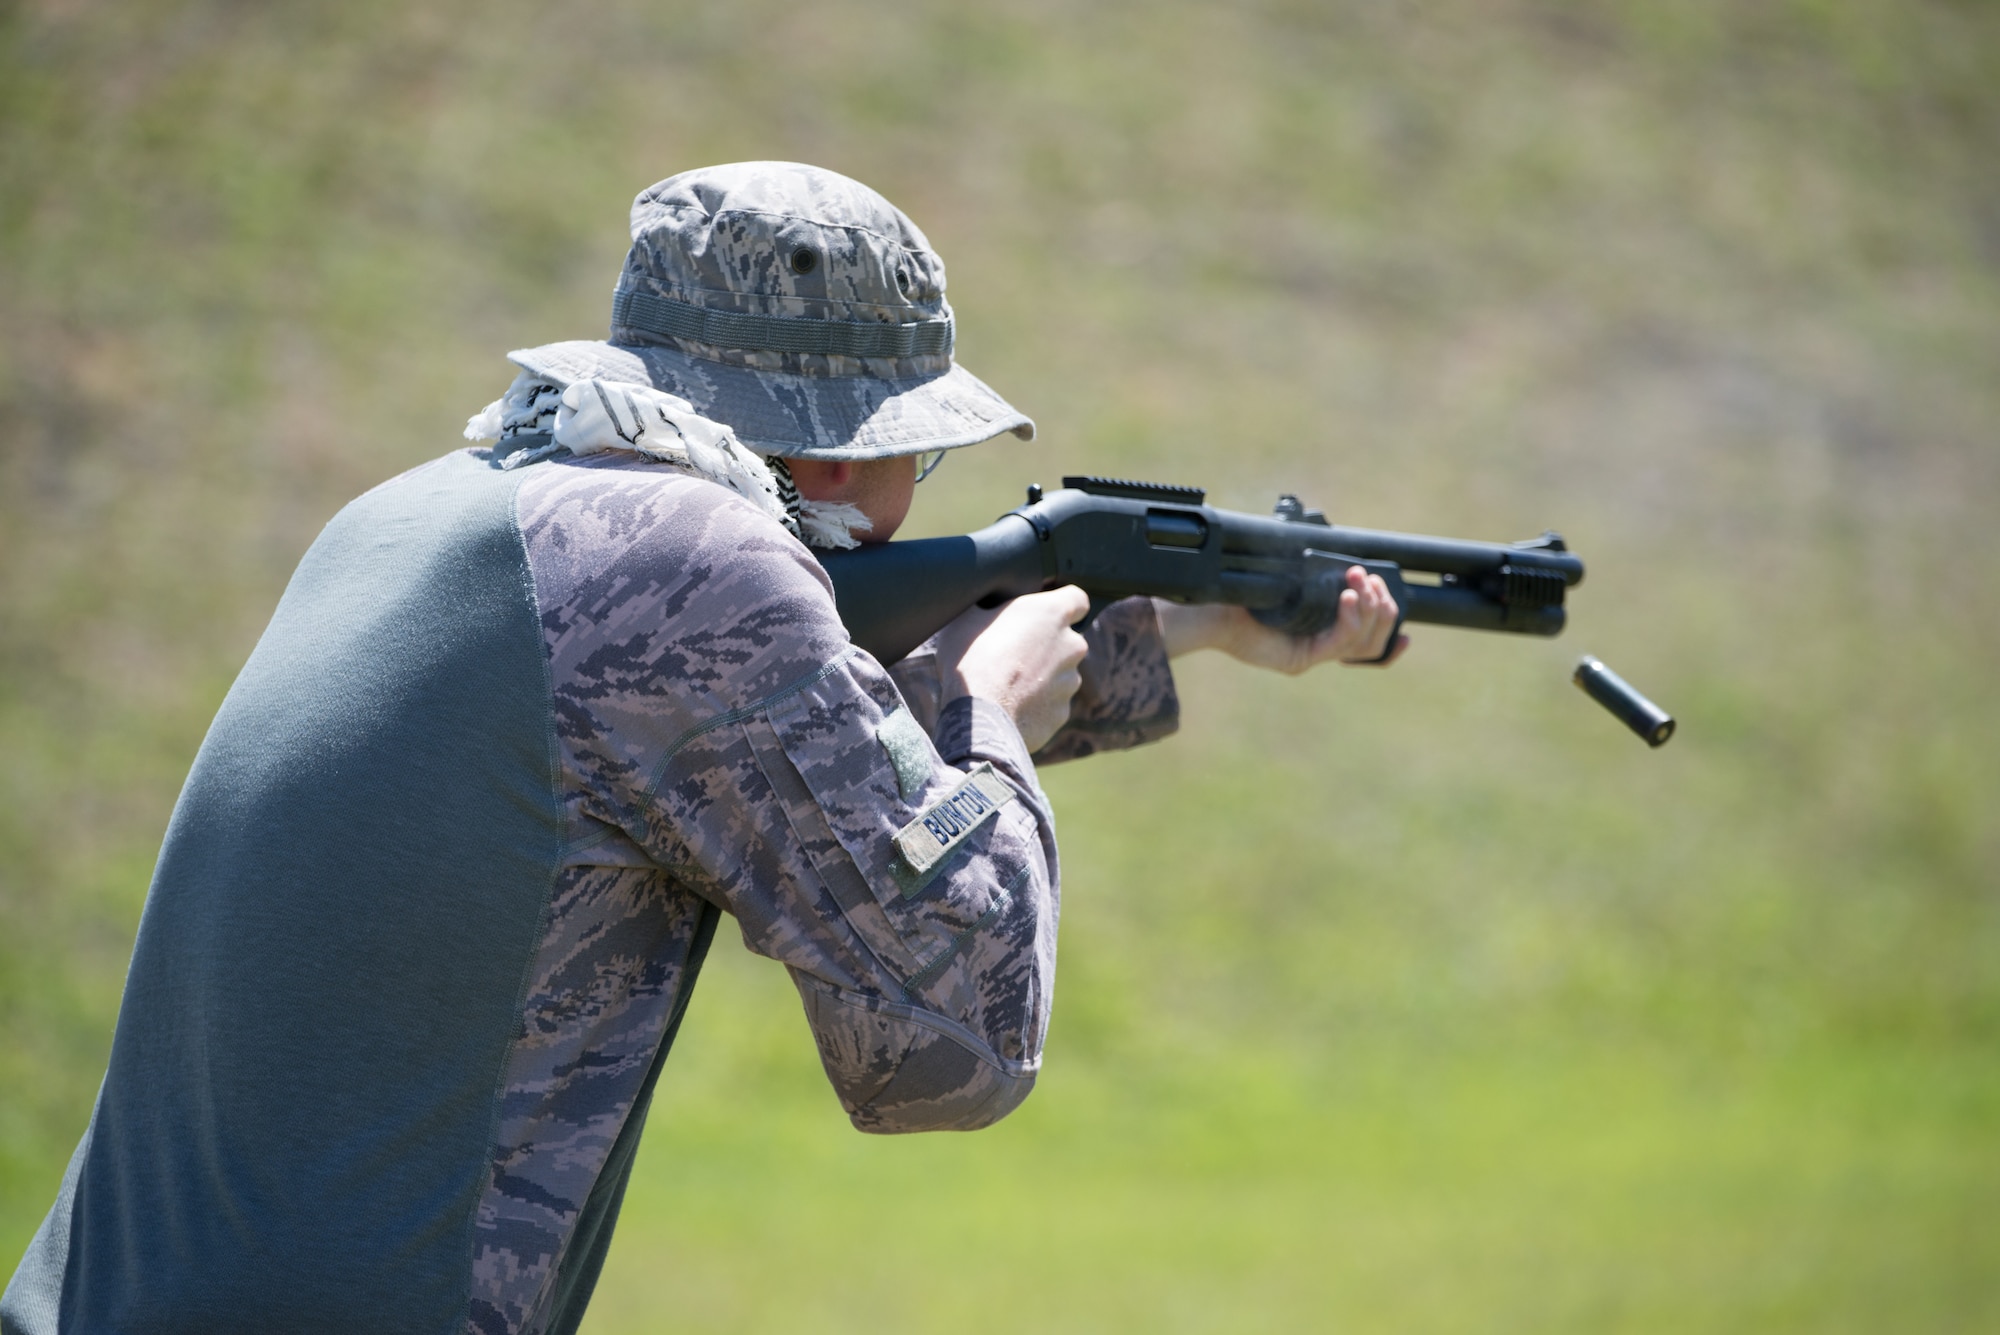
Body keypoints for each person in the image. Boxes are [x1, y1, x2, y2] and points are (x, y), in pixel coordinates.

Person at [1, 162, 1403, 1335]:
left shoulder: (431, 509)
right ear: (846, 458)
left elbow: (785, 744)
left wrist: (1213, 626)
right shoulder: (704, 563)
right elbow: (951, 1042)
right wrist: (991, 718)